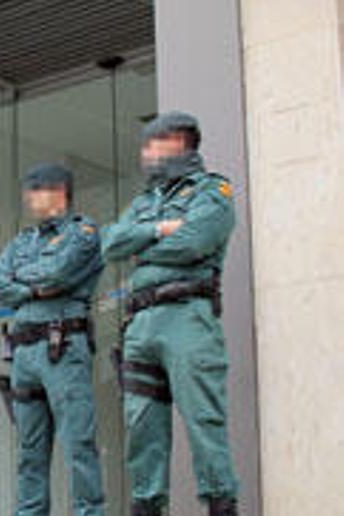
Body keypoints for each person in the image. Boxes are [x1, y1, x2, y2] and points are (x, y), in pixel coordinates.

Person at [102, 112, 239, 516]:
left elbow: (195, 242)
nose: (145, 154)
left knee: (203, 421)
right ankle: (147, 507)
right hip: (140, 326)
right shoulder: (146, 201)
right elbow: (111, 243)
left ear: (178, 142)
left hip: (187, 318)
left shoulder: (213, 190)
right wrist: (160, 230)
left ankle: (221, 503)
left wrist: (140, 248)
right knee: (141, 428)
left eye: (152, 144)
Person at [0, 163, 105, 516]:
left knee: (79, 446)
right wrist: (38, 289)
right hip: (24, 355)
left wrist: (21, 284)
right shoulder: (22, 241)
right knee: (29, 453)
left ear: (58, 193)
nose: (29, 198)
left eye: (36, 190)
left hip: (63, 348)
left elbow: (59, 272)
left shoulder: (83, 233)